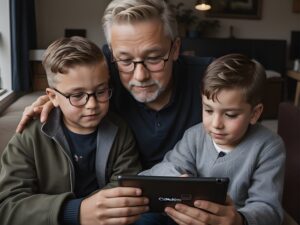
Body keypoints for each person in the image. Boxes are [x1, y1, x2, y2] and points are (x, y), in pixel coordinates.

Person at [16, 0, 212, 170]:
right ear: (111, 53)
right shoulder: (103, 69)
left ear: (175, 48)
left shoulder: (211, 78)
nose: (140, 75)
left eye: (153, 58)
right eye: (125, 61)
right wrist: (59, 101)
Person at [0, 36, 149, 225]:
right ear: (53, 96)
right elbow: (6, 206)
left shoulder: (120, 130)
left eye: (101, 91)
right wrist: (75, 211)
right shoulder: (29, 135)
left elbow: (127, 185)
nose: (92, 105)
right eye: (77, 95)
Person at [140, 54, 286, 225]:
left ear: (254, 113)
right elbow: (164, 168)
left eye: (230, 115)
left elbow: (268, 208)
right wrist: (178, 179)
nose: (216, 124)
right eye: (208, 110)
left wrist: (239, 220)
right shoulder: (194, 135)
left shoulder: (269, 147)